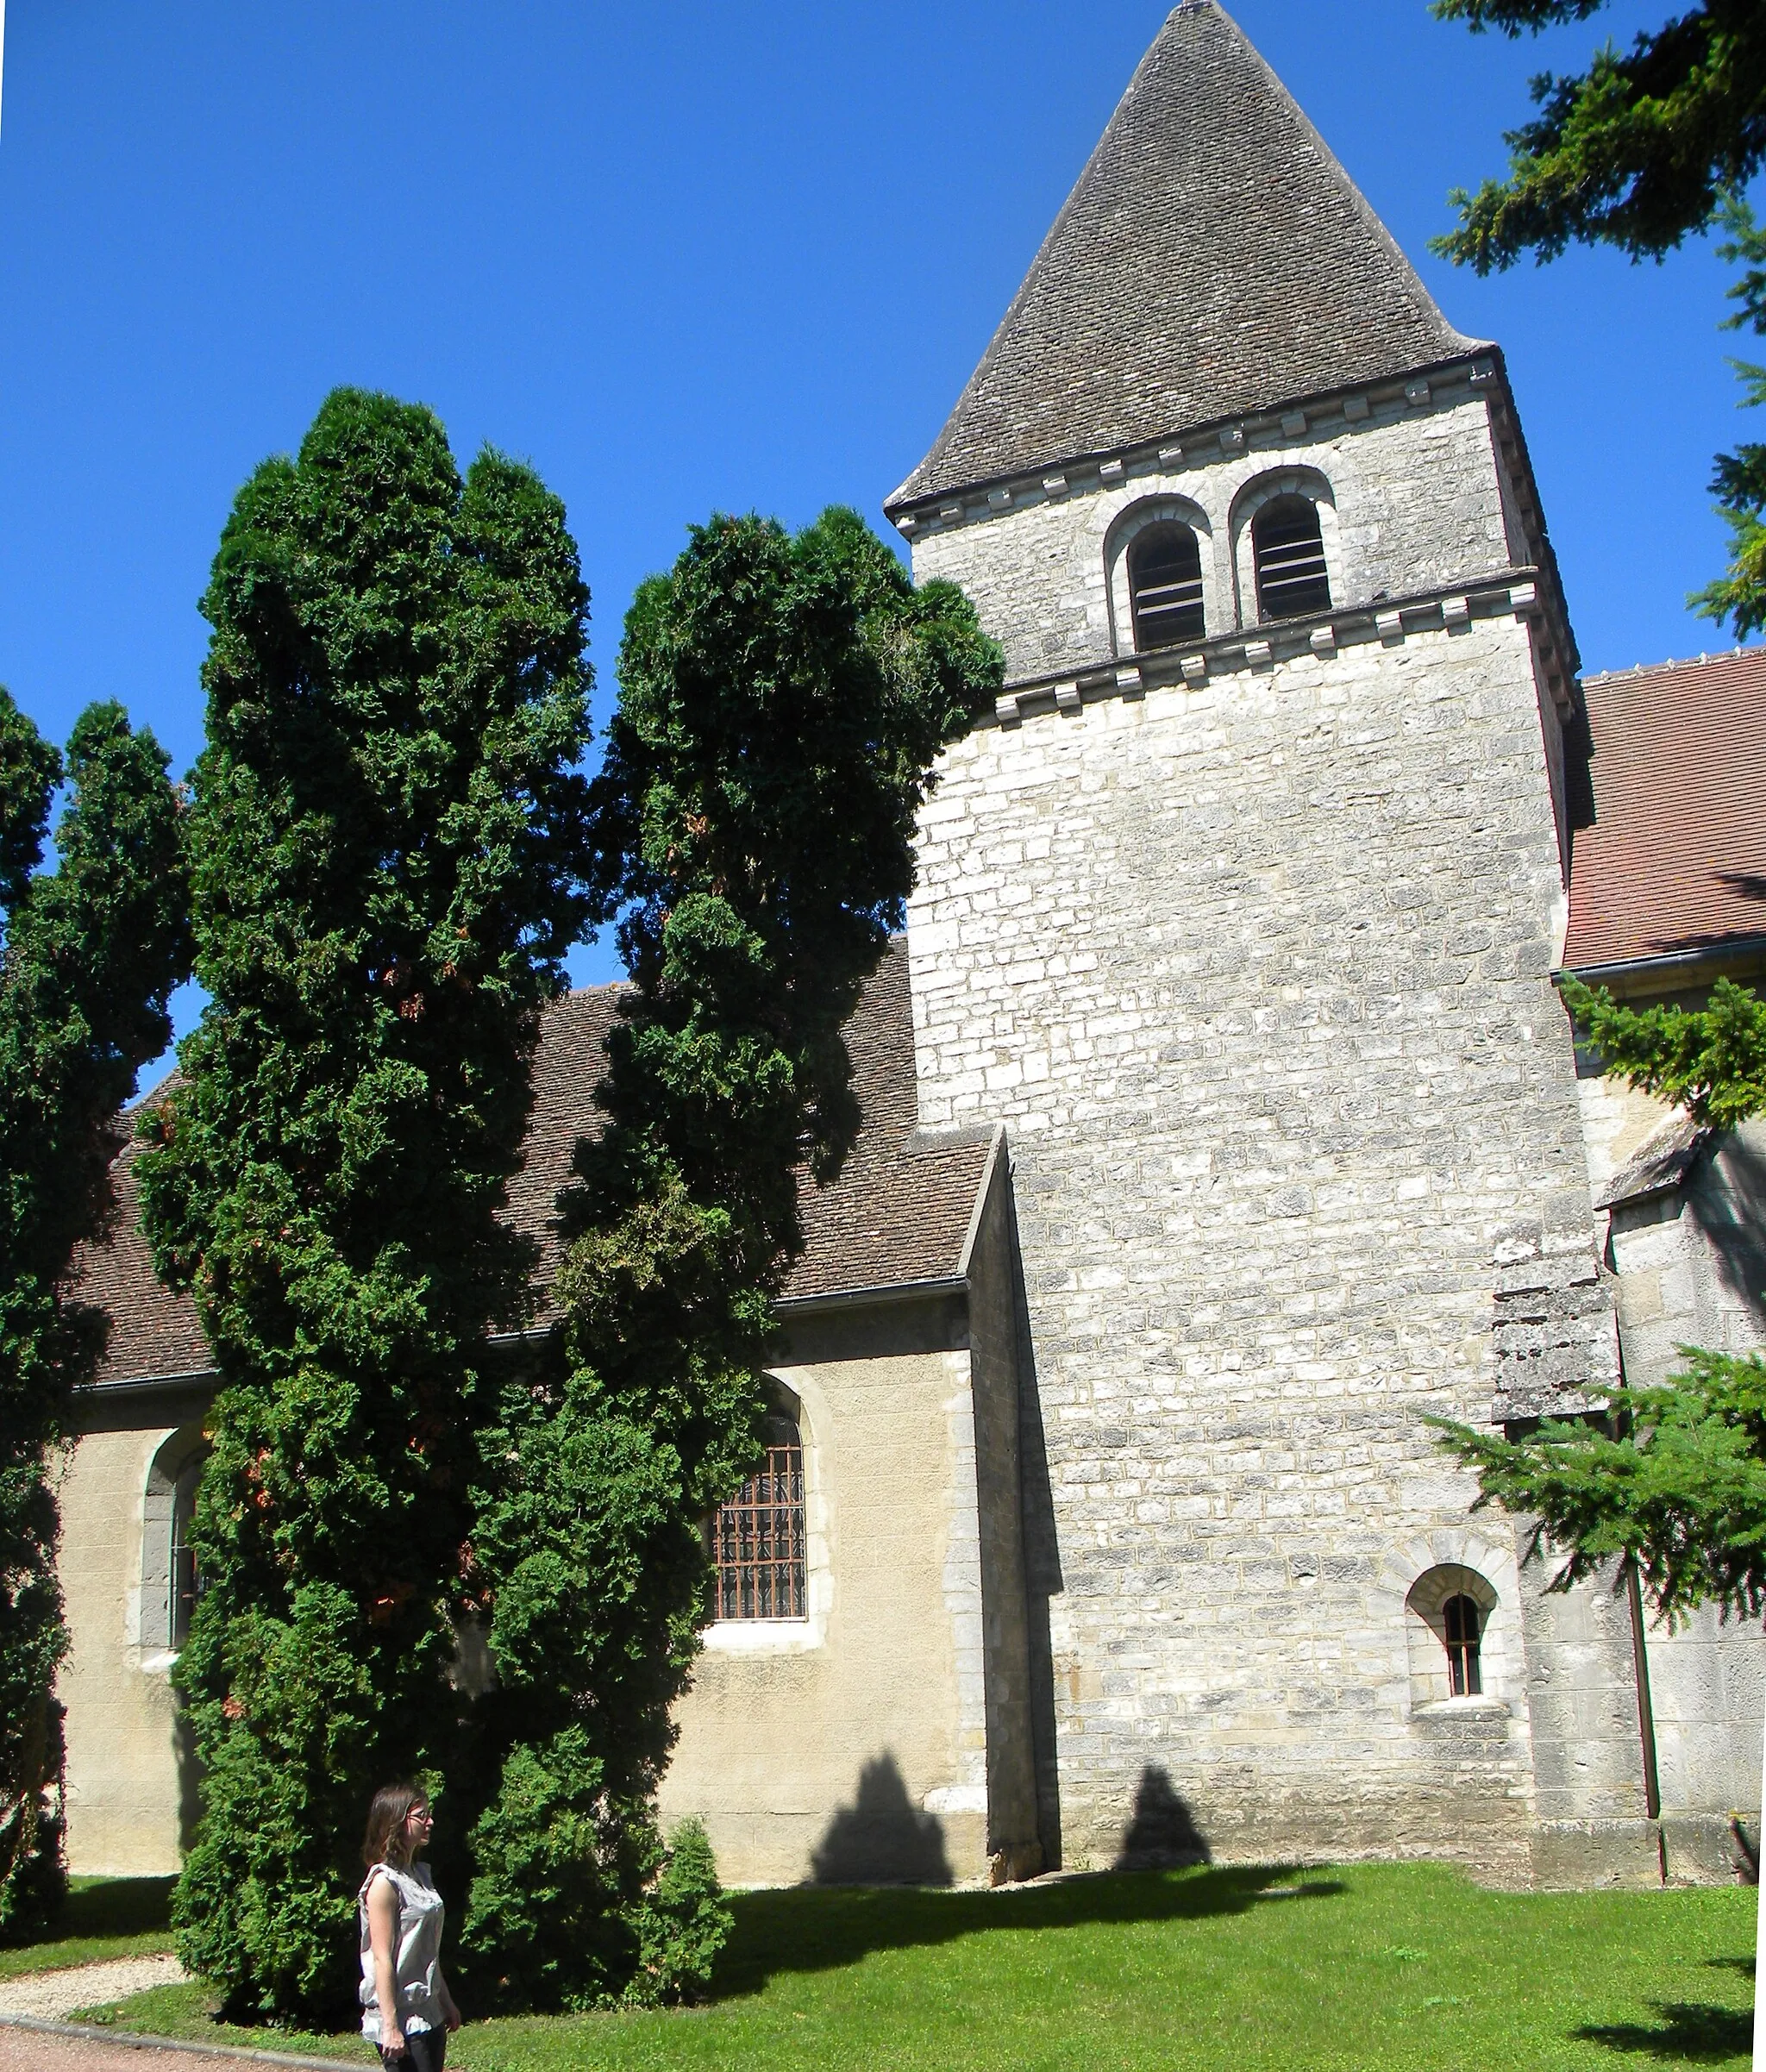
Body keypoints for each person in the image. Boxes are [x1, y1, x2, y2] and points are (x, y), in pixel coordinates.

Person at [359, 1781, 462, 2070]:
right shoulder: (384, 1883)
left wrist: (445, 1999)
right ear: (397, 1822)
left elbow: (424, 1949)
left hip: (429, 2014)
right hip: (403, 2020)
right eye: (421, 1815)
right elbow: (383, 1958)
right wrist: (390, 2027)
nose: (430, 1822)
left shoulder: (418, 1876)